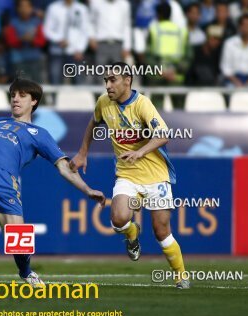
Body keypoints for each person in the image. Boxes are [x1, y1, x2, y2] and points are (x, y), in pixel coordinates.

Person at [0, 78, 106, 288]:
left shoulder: (40, 135)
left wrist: (87, 190)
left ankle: (26, 272)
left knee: (18, 244)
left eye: (22, 95)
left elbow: (64, 168)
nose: (15, 99)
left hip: (5, 182)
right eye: (13, 95)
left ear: (34, 101)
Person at [70, 62, 189, 289]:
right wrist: (83, 152)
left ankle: (180, 275)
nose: (107, 85)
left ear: (128, 80)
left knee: (162, 231)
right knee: (118, 219)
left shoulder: (143, 104)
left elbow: (164, 134)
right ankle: (132, 233)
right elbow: (93, 123)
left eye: (112, 80)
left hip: (156, 175)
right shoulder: (103, 103)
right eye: (105, 80)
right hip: (127, 174)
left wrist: (141, 151)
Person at [220, 14, 248, 87]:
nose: (246, 28)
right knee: (229, 89)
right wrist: (235, 81)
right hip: (232, 80)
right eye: (244, 25)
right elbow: (225, 67)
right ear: (239, 27)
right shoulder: (229, 44)